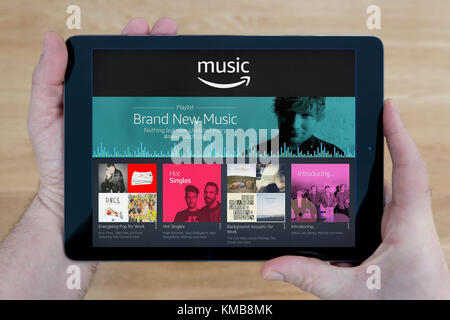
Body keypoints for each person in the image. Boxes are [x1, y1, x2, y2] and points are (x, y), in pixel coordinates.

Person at [0, 17, 449, 300]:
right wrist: (58, 204)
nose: (295, 127)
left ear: (318, 117)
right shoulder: (255, 157)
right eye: (288, 117)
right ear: (278, 116)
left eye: (305, 118)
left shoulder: (332, 158)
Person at [273, 97, 344, 156]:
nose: (295, 125)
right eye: (287, 114)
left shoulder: (334, 154)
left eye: (306, 115)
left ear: (318, 117)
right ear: (278, 115)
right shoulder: (262, 151)